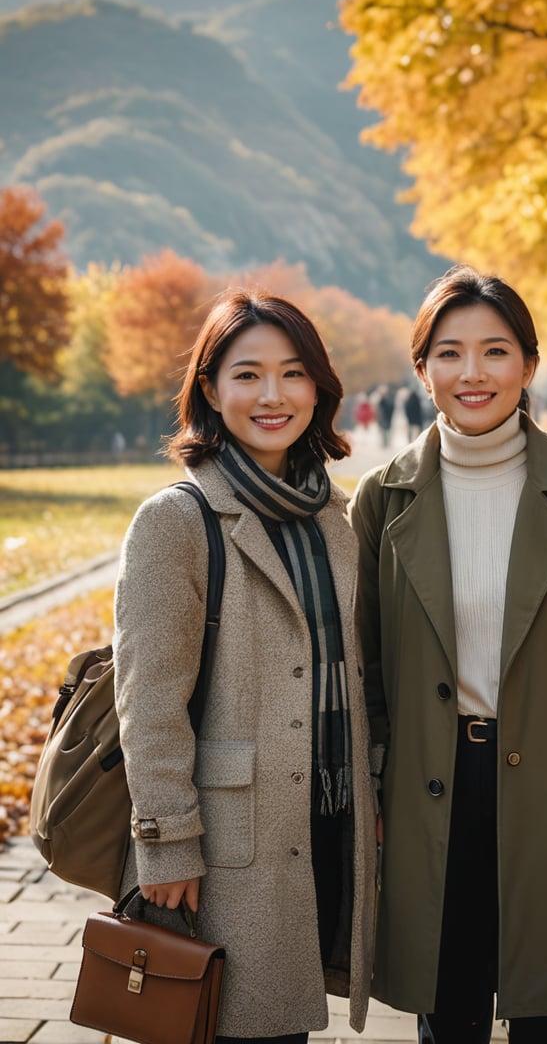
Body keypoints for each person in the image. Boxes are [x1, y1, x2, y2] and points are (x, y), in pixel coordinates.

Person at [349, 265, 547, 1044]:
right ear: (422, 369)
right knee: (447, 1012)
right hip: (430, 788)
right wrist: (374, 785)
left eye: (495, 352)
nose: (473, 373)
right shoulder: (382, 499)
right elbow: (368, 669)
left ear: (528, 364)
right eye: (450, 353)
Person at [113, 288, 376, 1044]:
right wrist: (164, 843)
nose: (272, 395)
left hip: (325, 822)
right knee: (232, 1026)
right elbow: (148, 700)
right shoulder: (177, 520)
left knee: (285, 1027)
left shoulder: (335, 517)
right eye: (248, 374)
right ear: (210, 389)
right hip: (226, 840)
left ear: (318, 389)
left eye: (293, 374)